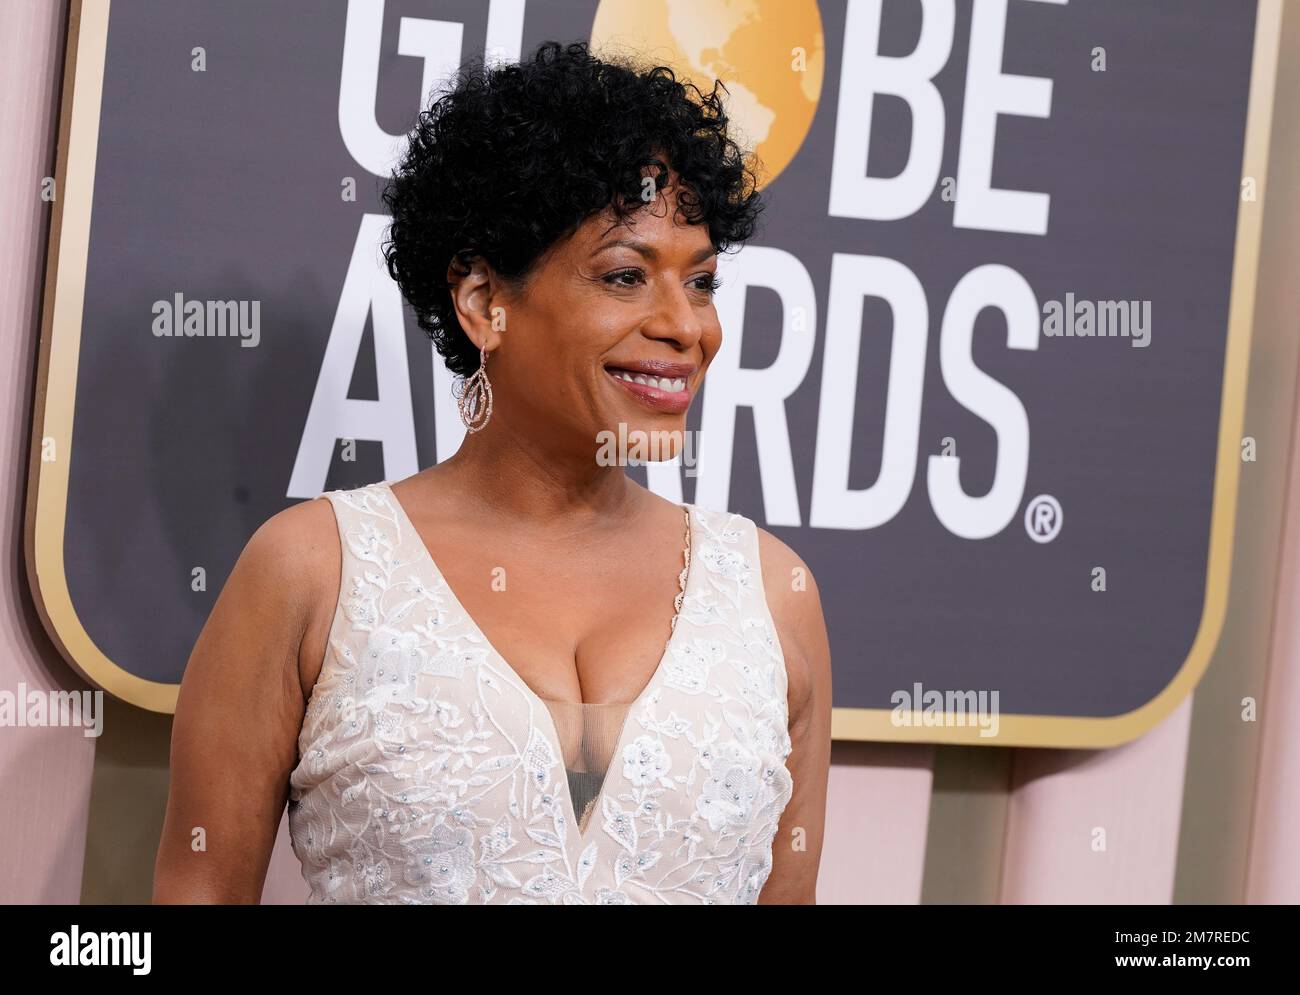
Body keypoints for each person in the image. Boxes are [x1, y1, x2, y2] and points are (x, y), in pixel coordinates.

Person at [154, 39, 831, 905]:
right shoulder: (311, 570)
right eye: (626, 275)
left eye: (700, 282)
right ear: (483, 301)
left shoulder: (773, 595)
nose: (686, 327)